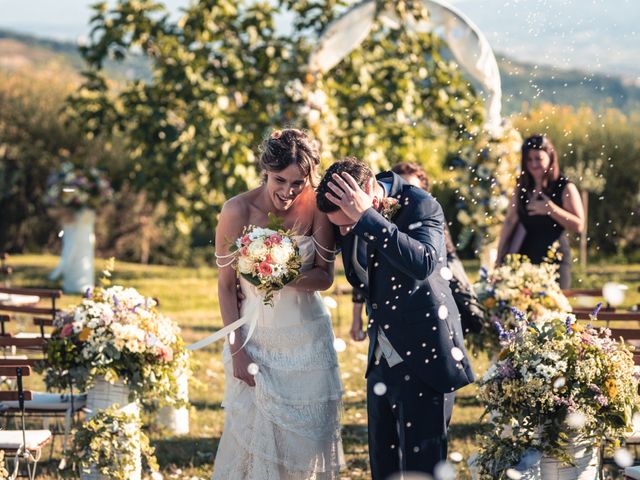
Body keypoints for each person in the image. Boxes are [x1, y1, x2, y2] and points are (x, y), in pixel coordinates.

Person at [316, 157, 474, 479]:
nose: (343, 232)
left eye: (346, 223)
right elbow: (366, 276)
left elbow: (424, 263)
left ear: (369, 196)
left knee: (421, 468)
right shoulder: (345, 216)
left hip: (425, 354)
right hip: (381, 359)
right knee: (384, 466)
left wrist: (367, 218)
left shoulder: (420, 204)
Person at [212, 129, 344, 479]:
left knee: (305, 445)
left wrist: (280, 276)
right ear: (264, 170)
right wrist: (237, 349)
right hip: (256, 342)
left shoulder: (317, 207)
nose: (288, 191)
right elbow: (226, 288)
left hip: (308, 341)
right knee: (249, 441)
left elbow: (325, 277)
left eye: (298, 182)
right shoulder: (237, 210)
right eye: (280, 180)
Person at [349, 162, 483, 342]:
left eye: (413, 187)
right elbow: (363, 267)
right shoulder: (377, 221)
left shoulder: (427, 215)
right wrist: (356, 316)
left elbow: (447, 258)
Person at [497, 134, 585, 288]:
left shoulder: (564, 187)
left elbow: (579, 225)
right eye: (529, 160)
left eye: (538, 158)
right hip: (524, 260)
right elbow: (509, 222)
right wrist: (499, 258)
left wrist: (551, 210)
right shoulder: (522, 187)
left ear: (550, 157)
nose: (534, 164)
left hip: (554, 260)